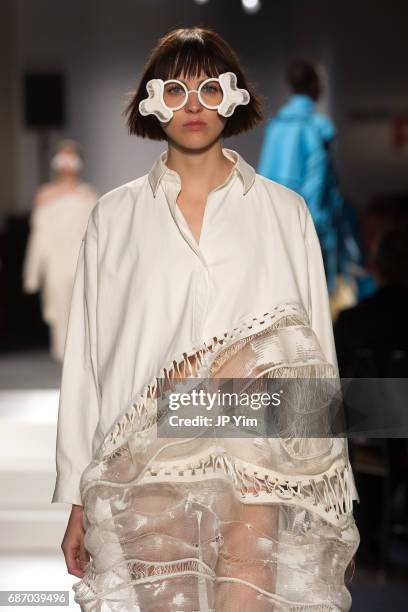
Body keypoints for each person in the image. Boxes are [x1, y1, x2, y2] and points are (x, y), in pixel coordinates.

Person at [51, 28, 359, 610]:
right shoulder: (113, 218)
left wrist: (331, 489)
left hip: (254, 462)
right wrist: (75, 497)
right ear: (151, 102)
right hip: (145, 460)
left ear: (234, 97)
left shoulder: (283, 212)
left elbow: (313, 349)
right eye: (175, 90)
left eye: (210, 89)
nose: (193, 105)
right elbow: (88, 361)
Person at [257, 59, 363, 299]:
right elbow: (318, 181)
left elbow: (263, 178)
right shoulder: (318, 128)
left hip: (276, 228)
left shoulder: (276, 127)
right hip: (310, 228)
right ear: (315, 85)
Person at [22, 139, 98, 362]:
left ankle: (84, 367)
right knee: (60, 315)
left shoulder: (88, 194)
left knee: (85, 315)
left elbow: (97, 233)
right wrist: (32, 273)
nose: (67, 164)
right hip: (55, 263)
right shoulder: (45, 195)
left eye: (71, 158)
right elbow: (39, 236)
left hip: (82, 260)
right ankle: (66, 365)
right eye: (62, 158)